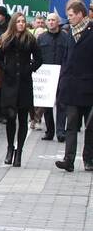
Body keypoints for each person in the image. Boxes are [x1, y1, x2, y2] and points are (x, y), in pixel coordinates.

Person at [0, 13, 42, 167]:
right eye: (18, 21)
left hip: (24, 84)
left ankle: (19, 152)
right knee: (10, 117)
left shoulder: (30, 39)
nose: (21, 24)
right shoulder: (6, 38)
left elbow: (39, 58)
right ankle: (10, 148)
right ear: (13, 23)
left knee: (23, 118)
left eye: (23, 21)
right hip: (9, 83)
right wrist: (6, 69)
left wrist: (29, 69)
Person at [55, 0, 93, 172]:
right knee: (71, 125)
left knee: (90, 127)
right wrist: (62, 81)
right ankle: (68, 160)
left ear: (80, 14)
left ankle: (88, 159)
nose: (69, 18)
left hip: (89, 88)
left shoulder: (91, 31)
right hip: (71, 88)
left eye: (71, 15)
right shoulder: (69, 32)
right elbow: (66, 59)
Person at [37, 12, 73, 142]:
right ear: (46, 23)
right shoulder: (41, 38)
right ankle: (50, 131)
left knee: (61, 104)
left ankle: (60, 132)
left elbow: (70, 56)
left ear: (58, 22)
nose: (51, 22)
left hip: (61, 75)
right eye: (49, 20)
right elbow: (37, 57)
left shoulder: (66, 37)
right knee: (46, 105)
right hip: (46, 76)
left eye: (53, 20)